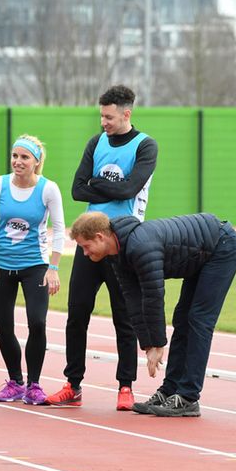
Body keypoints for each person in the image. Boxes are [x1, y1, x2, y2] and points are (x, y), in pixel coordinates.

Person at [47, 85, 158, 411]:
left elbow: (130, 188)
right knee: (76, 314)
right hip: (88, 243)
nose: (104, 122)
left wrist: (99, 184)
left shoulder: (145, 146)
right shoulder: (96, 143)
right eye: (101, 116)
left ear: (127, 114)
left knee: (124, 318)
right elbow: (78, 190)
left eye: (109, 117)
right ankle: (73, 384)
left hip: (122, 243)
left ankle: (125, 386)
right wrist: (109, 189)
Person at [68, 211, 236, 417]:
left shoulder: (140, 246)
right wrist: (148, 344)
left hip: (221, 247)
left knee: (198, 319)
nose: (85, 254)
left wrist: (158, 344)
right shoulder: (117, 254)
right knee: (182, 318)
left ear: (100, 236)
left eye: (86, 247)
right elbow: (133, 300)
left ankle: (187, 397)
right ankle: (170, 390)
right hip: (202, 253)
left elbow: (153, 296)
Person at [0, 135, 65, 405]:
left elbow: (60, 230)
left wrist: (53, 268)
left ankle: (35, 385)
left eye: (24, 157)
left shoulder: (48, 189)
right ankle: (15, 382)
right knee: (4, 326)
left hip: (35, 266)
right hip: (3, 265)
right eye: (15, 156)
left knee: (37, 323)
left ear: (36, 161)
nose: (18, 161)